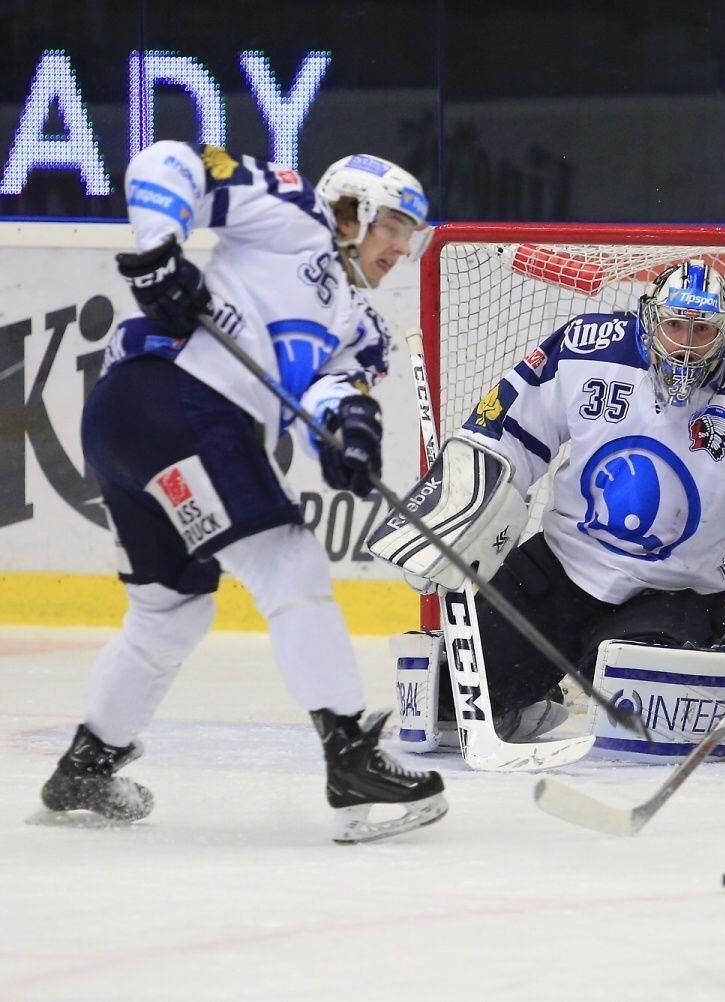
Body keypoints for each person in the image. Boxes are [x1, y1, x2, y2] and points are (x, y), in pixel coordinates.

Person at [36, 141, 448, 843]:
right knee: (288, 561)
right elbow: (167, 161)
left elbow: (331, 389)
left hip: (127, 431)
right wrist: (160, 250)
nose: (402, 250)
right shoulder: (292, 212)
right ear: (354, 211)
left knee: (172, 610)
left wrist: (349, 433)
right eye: (395, 228)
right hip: (178, 401)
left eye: (410, 236)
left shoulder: (360, 327)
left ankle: (88, 764)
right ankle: (349, 754)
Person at [368, 260, 725, 750]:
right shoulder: (585, 349)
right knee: (441, 708)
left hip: (675, 595)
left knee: (643, 715)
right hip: (557, 573)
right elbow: (505, 436)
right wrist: (454, 516)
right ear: (648, 319)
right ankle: (535, 694)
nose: (685, 343)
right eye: (675, 325)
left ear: (724, 333)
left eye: (701, 329)